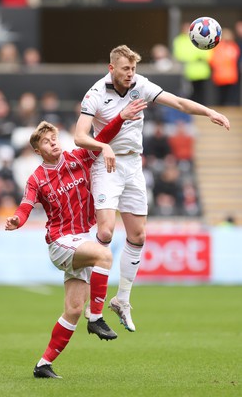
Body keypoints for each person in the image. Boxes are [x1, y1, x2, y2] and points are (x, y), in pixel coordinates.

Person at [74, 44, 230, 333]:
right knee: (106, 231)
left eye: (133, 68)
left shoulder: (141, 85)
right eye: (125, 69)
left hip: (133, 166)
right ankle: (91, 292)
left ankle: (122, 299)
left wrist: (209, 112)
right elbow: (79, 136)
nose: (130, 74)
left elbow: (179, 103)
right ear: (112, 69)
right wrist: (102, 145)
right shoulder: (96, 93)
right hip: (106, 165)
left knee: (138, 235)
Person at [4, 99, 147, 379]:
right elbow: (25, 205)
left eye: (54, 138)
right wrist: (16, 221)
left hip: (81, 240)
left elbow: (103, 138)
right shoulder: (37, 178)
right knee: (104, 254)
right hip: (61, 242)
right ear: (37, 150)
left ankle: (43, 364)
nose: (52, 143)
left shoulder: (78, 157)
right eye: (45, 142)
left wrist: (121, 115)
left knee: (71, 309)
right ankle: (96, 317)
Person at [172, 22, 212, 105]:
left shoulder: (199, 37)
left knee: (202, 93)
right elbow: (179, 55)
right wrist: (196, 57)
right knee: (189, 93)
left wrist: (197, 56)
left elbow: (207, 53)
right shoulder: (179, 40)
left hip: (202, 72)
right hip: (188, 72)